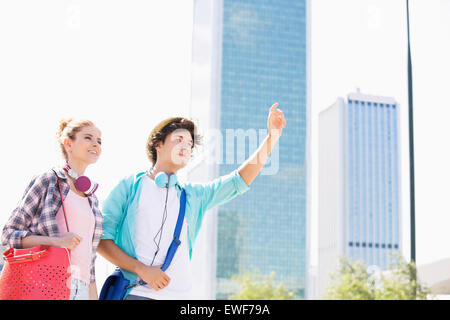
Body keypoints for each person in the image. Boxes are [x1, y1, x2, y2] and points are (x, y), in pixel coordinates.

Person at [98, 103, 286, 300]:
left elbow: (239, 180)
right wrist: (141, 269)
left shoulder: (194, 195)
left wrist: (271, 138)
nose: (186, 147)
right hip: (136, 293)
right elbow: (102, 240)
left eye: (189, 144)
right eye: (179, 139)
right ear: (158, 144)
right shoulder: (129, 187)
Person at [1, 119, 104, 300]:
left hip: (82, 289)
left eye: (99, 140)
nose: (95, 143)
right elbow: (9, 234)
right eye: (88, 138)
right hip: (44, 282)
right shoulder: (48, 180)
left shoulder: (92, 198)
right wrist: (55, 241)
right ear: (68, 144)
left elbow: (90, 262)